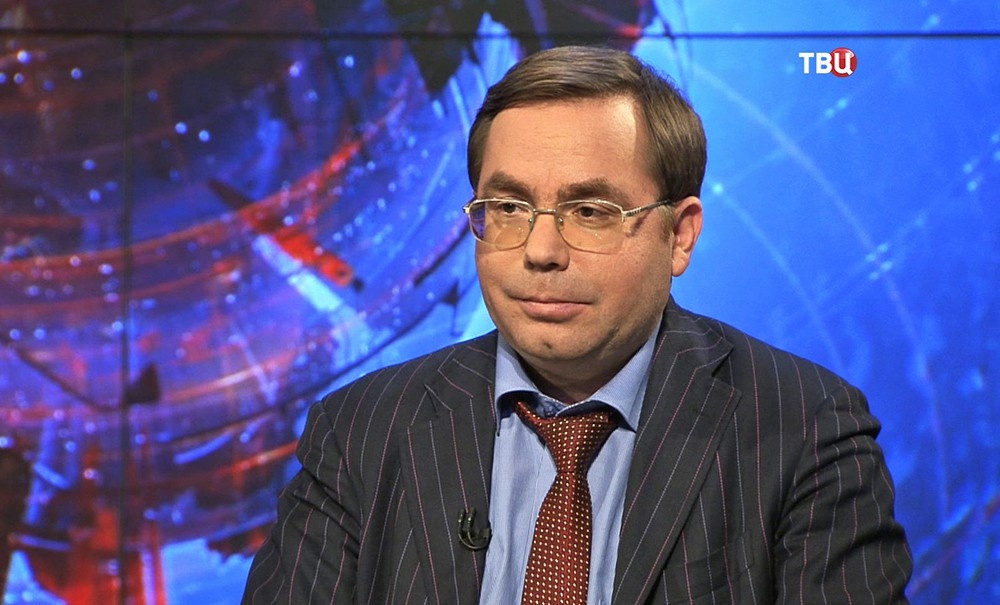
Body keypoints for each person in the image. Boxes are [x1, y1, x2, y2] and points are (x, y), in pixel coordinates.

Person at [242, 45, 912, 604]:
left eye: (590, 211)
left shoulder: (804, 427)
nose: (540, 251)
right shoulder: (361, 430)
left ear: (680, 236)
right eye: (508, 207)